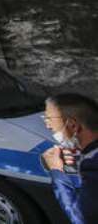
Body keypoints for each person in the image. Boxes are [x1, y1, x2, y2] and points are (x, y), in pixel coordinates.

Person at [42, 93, 98, 224]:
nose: (47, 126)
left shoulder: (93, 164)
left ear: (73, 125)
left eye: (49, 119)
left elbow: (80, 218)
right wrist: (74, 166)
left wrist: (56, 171)